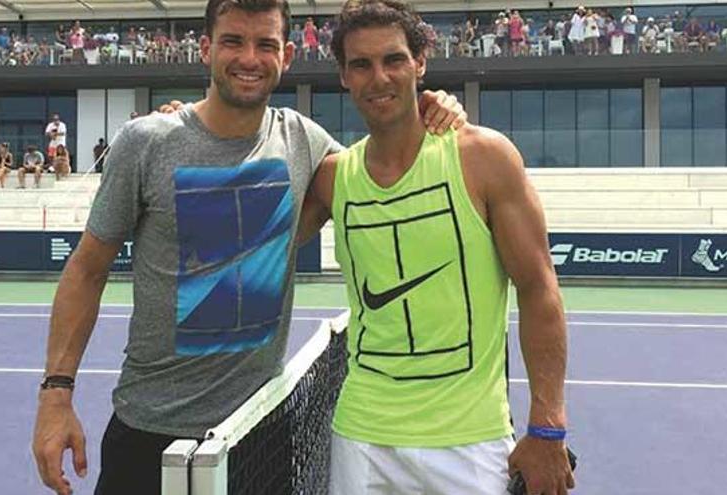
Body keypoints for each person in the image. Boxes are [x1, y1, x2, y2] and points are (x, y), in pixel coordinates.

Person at [30, 1, 465, 494]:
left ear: (286, 57)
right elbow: (87, 270)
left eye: (266, 44)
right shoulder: (146, 141)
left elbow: (385, 166)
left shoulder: (305, 141)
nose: (249, 58)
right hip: (149, 432)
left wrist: (433, 108)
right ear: (205, 49)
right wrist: (56, 396)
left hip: (258, 431)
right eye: (233, 41)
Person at [297, 1, 574, 493]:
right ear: (343, 75)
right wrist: (183, 117)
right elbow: (254, 242)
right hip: (362, 436)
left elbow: (538, 289)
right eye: (361, 65)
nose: (379, 77)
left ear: (420, 62)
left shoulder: (483, 157)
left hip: (470, 441)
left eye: (394, 60)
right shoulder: (333, 178)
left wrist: (547, 426)